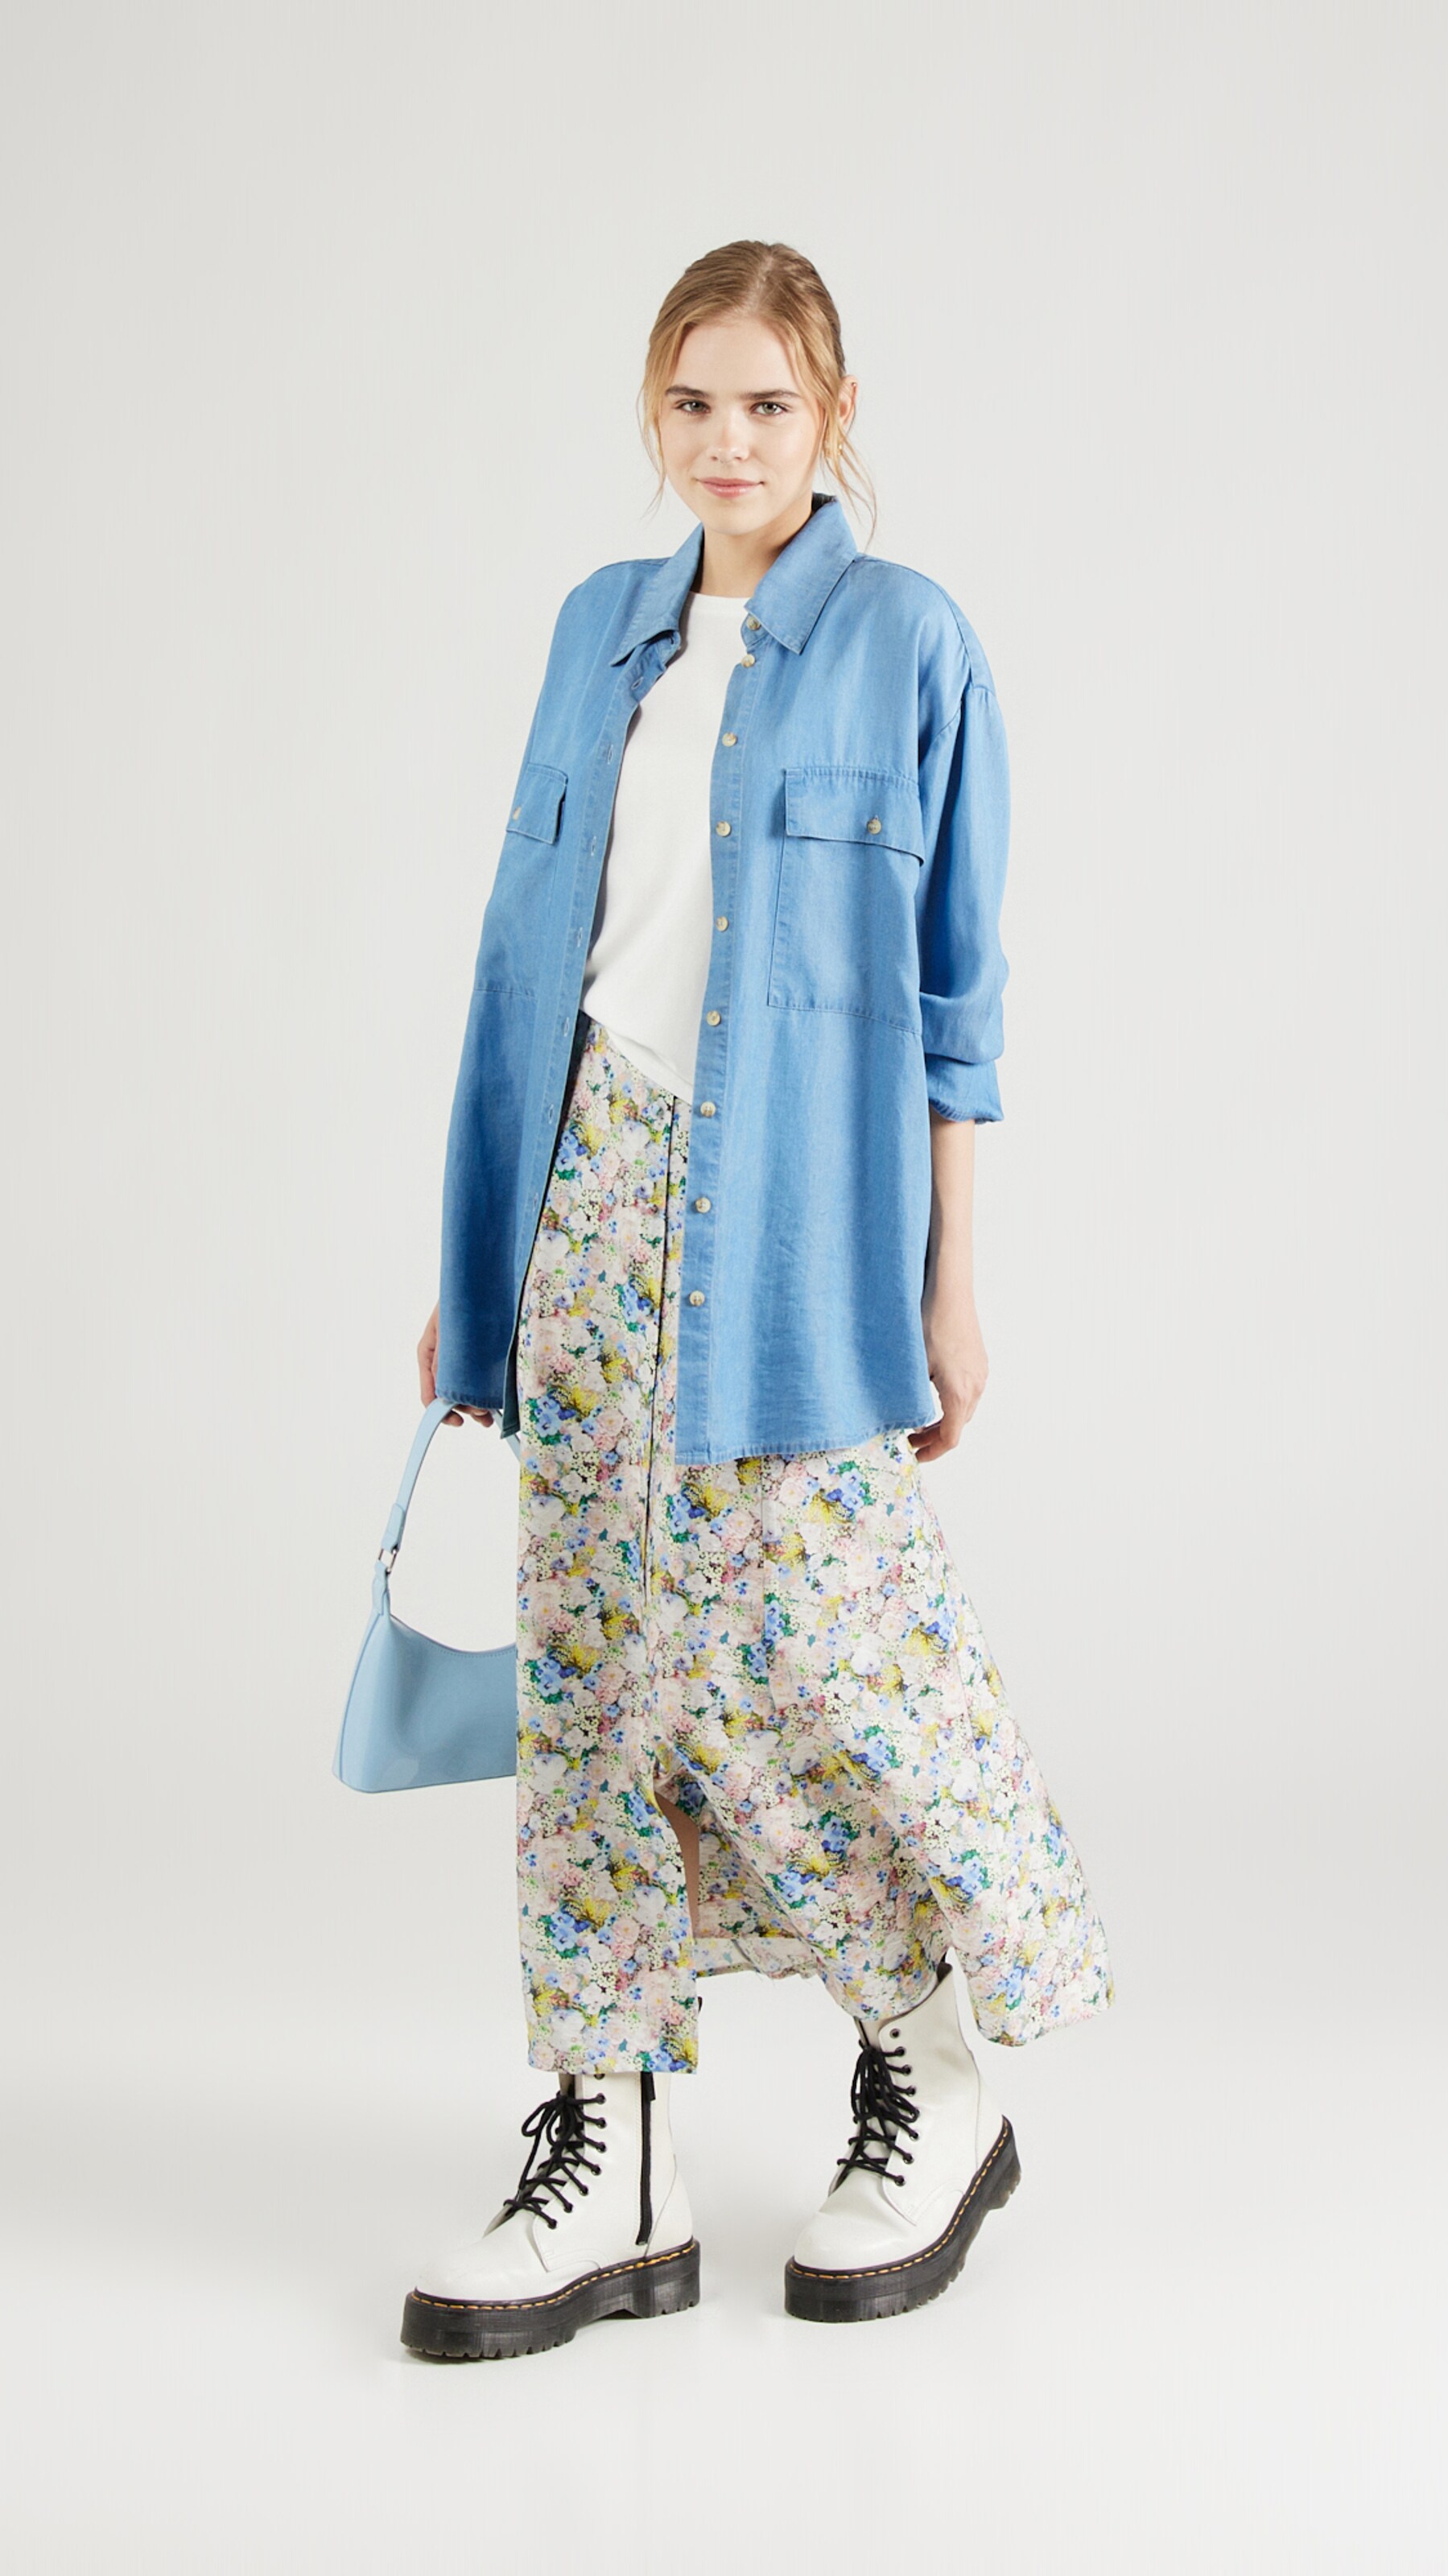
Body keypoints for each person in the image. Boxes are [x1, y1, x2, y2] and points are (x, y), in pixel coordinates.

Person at [400, 241, 1112, 2360]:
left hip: (796, 1223)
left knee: (809, 1650)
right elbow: (523, 952)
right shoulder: (594, 632)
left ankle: (932, 2064)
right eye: (694, 405)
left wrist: (954, 1275)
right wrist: (474, 1258)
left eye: (769, 407)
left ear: (835, 415)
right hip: (585, 1196)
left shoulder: (908, 639)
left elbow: (956, 997)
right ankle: (608, 2135)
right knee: (597, 1675)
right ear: (655, 412)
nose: (729, 444)